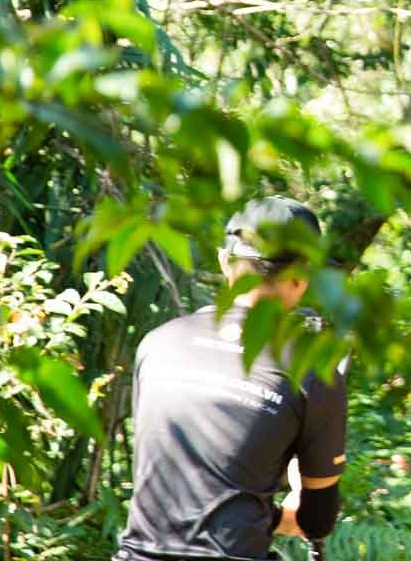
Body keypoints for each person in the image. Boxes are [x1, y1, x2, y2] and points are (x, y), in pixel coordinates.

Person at [116, 196, 346, 560]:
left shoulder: (158, 343)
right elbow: (316, 522)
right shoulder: (312, 369)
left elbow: (185, 479)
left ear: (226, 262)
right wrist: (297, 500)